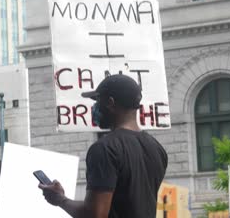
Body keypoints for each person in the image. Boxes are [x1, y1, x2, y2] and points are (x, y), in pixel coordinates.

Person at [38, 74, 168, 218]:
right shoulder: (157, 148)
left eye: (97, 101)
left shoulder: (105, 149)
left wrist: (60, 199)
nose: (94, 107)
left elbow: (95, 214)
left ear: (110, 103)